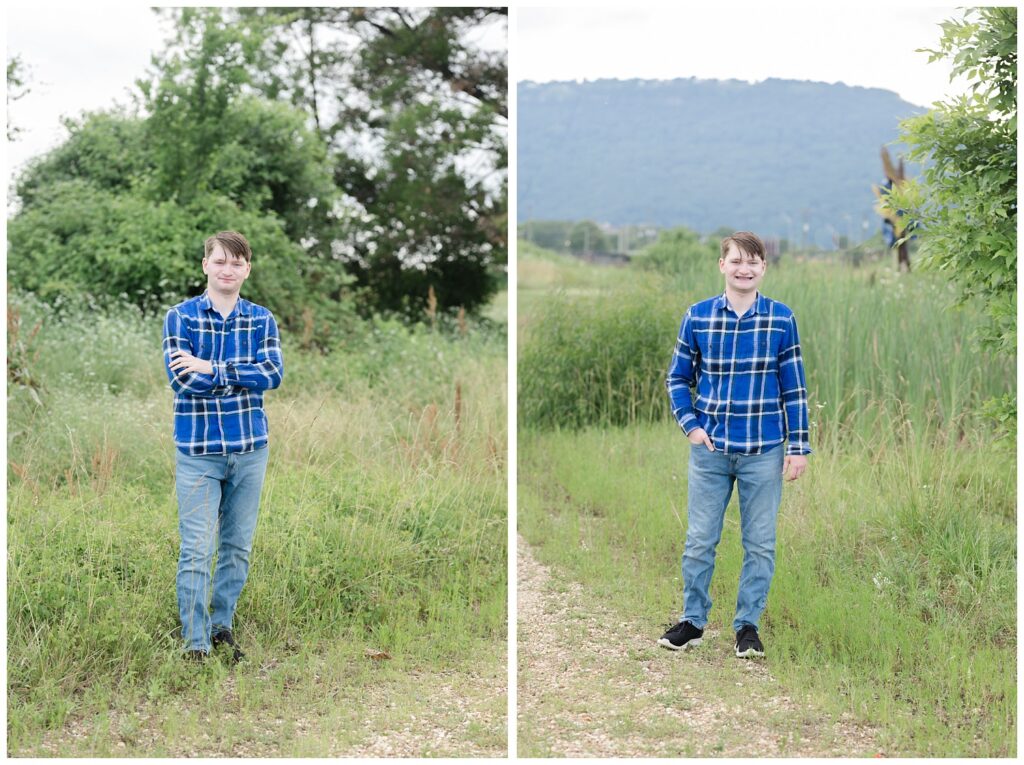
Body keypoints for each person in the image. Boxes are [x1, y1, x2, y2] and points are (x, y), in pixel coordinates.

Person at [658, 231, 810, 659]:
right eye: (737, 261)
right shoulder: (699, 316)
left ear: (763, 268)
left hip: (764, 449)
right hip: (711, 450)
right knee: (700, 539)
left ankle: (747, 627)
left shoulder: (781, 319)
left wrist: (798, 447)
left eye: (754, 262)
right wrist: (690, 426)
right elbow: (677, 378)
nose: (745, 269)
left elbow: (794, 389)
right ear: (722, 265)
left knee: (760, 543)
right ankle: (692, 621)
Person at [162, 231, 284, 662]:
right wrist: (237, 374)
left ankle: (222, 626)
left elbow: (272, 374)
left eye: (236, 263)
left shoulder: (261, 319)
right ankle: (194, 642)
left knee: (237, 546)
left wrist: (210, 366)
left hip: (250, 447)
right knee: (197, 548)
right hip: (198, 450)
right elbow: (183, 380)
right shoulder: (180, 317)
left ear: (247, 269)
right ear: (205, 265)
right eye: (220, 261)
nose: (227, 269)